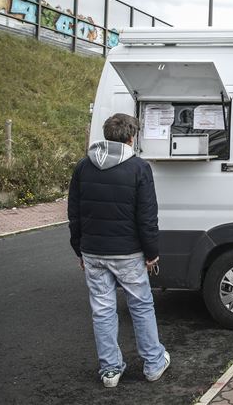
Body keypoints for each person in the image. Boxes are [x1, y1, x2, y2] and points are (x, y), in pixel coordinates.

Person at [68, 113, 170, 387]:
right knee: (141, 306)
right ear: (131, 137)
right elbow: (147, 216)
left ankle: (110, 370)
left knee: (102, 310)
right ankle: (153, 364)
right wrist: (151, 253)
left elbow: (74, 214)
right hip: (128, 253)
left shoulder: (83, 167)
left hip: (93, 252)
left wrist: (79, 249)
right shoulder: (138, 168)